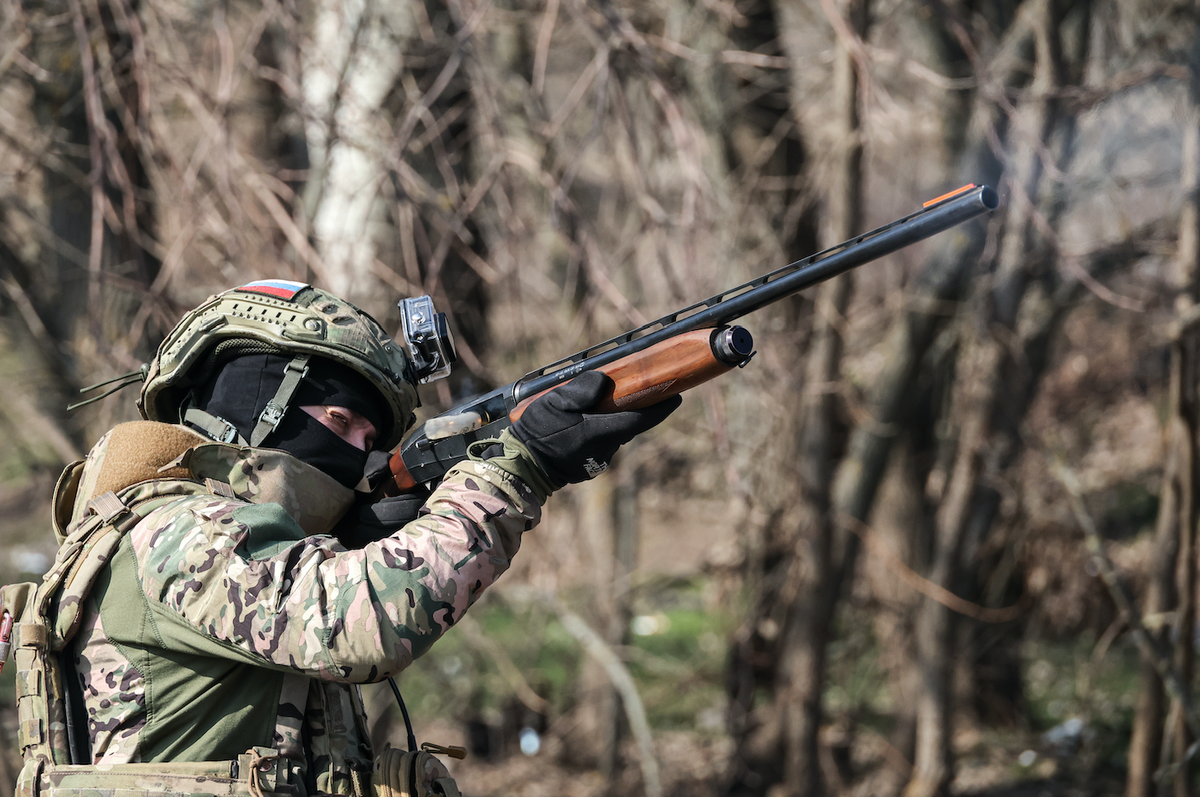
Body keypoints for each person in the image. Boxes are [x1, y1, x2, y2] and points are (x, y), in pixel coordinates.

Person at [2, 279, 679, 797]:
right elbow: (360, 619)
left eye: (371, 441)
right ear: (254, 408)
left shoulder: (161, 532)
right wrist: (512, 470)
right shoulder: (176, 530)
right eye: (341, 421)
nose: (358, 457)